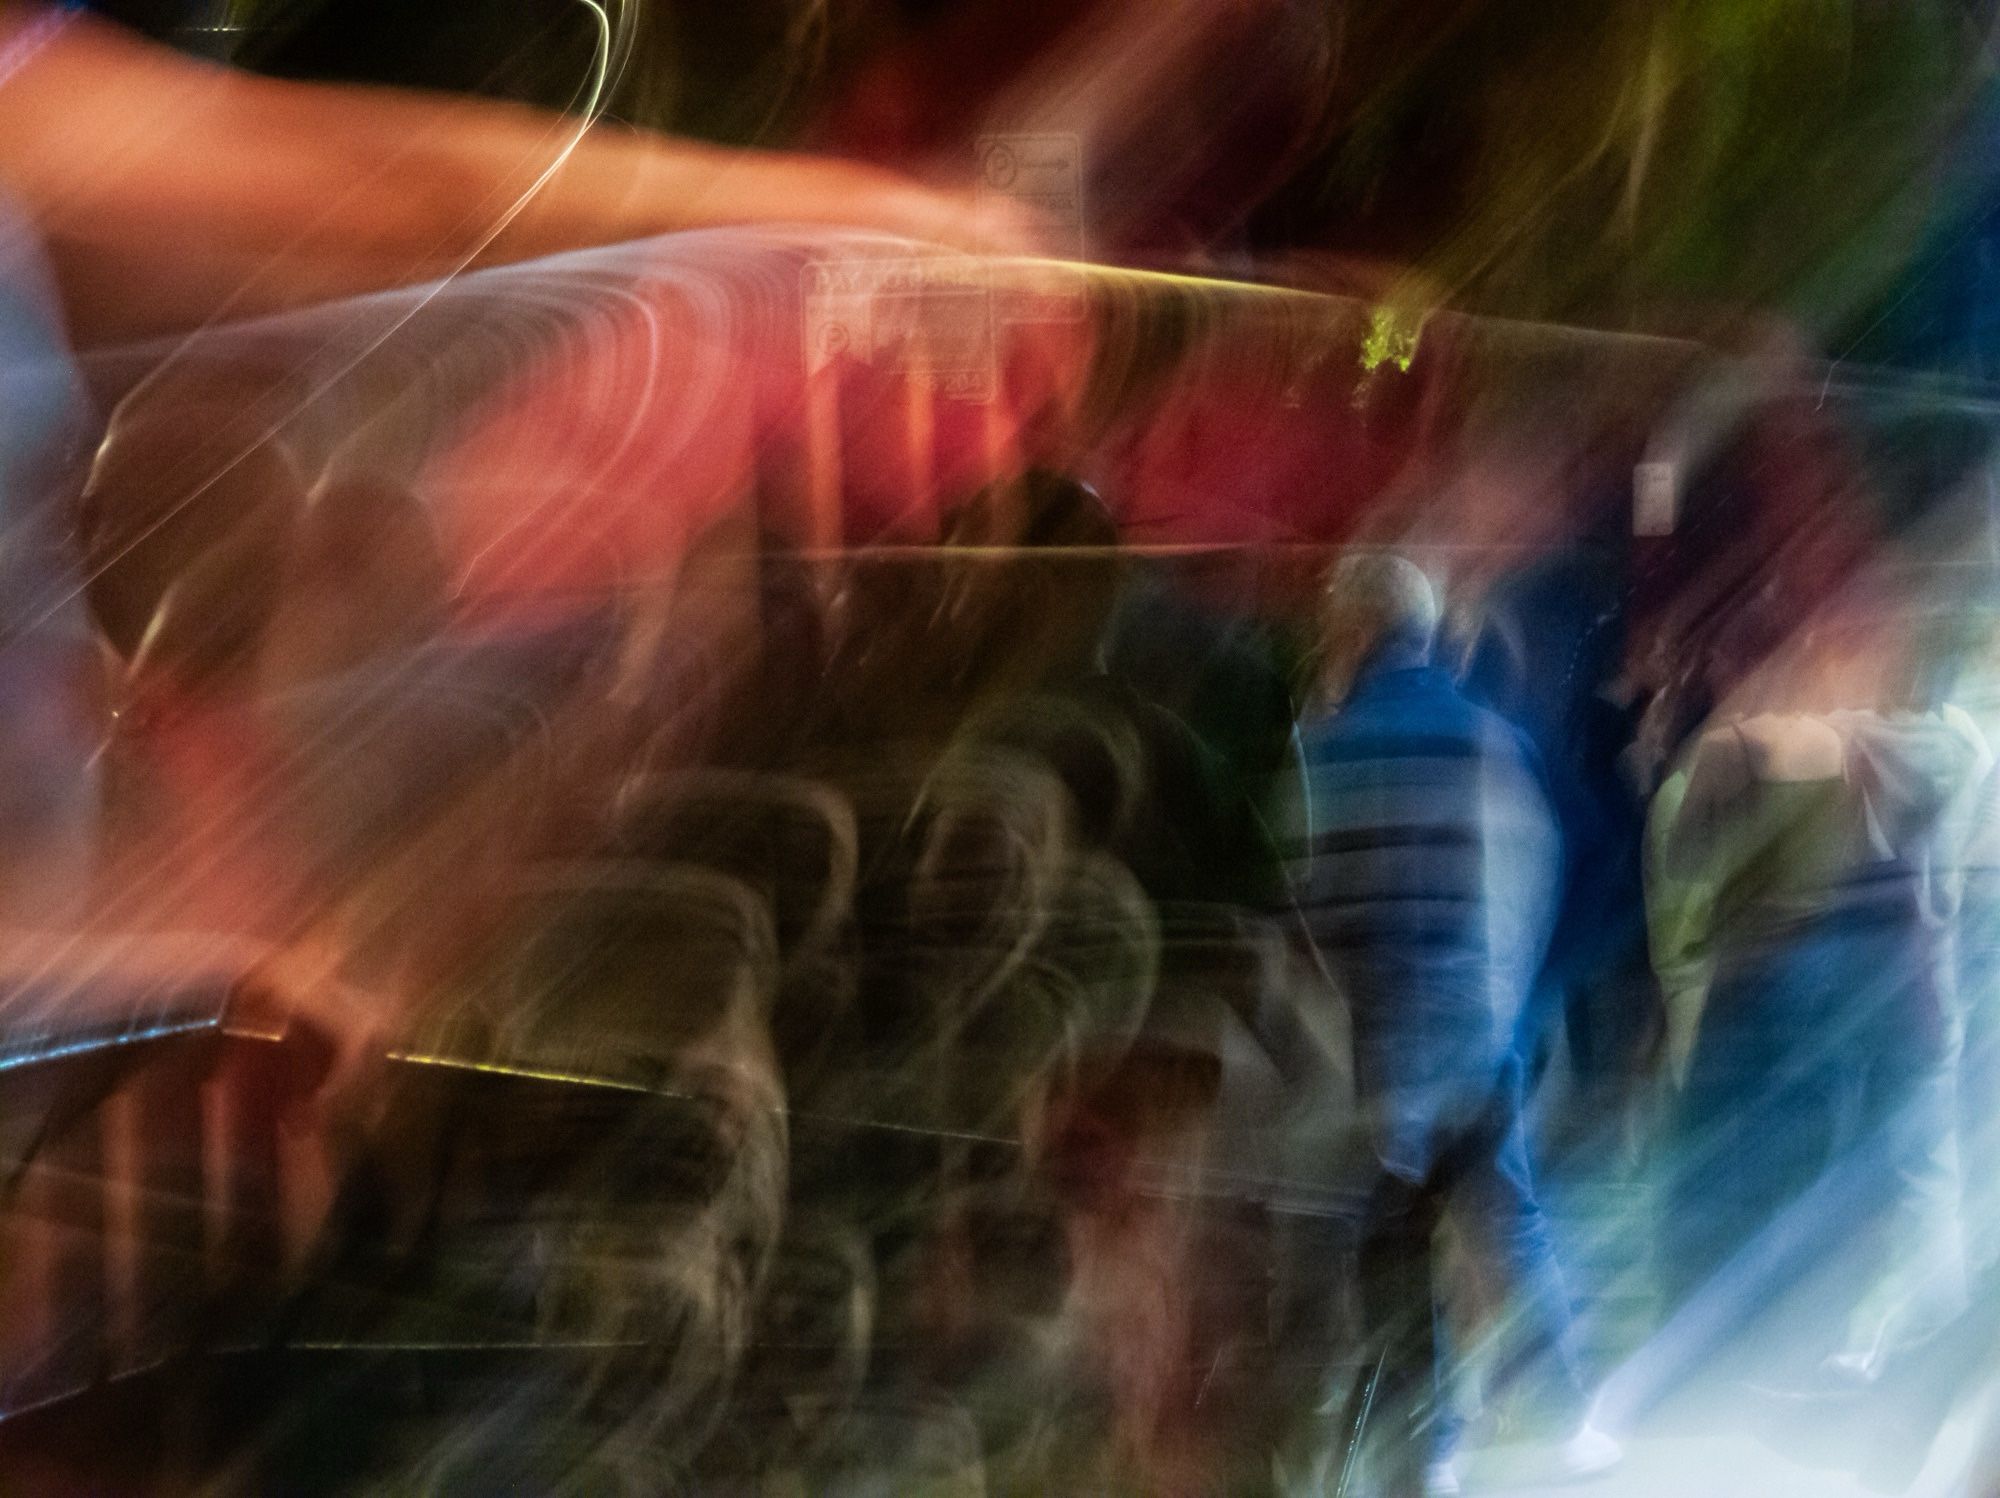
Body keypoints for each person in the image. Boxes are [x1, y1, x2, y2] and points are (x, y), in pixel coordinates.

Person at [1286, 552, 1619, 1498]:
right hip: (1477, 1043)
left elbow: (1299, 909)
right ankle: (1561, 1424)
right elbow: (1533, 873)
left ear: (1355, 634)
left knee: (1389, 1257)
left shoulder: (1320, 751)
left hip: (1369, 1057)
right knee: (1506, 1233)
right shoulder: (1489, 741)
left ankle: (1416, 1457)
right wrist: (1498, 1002)